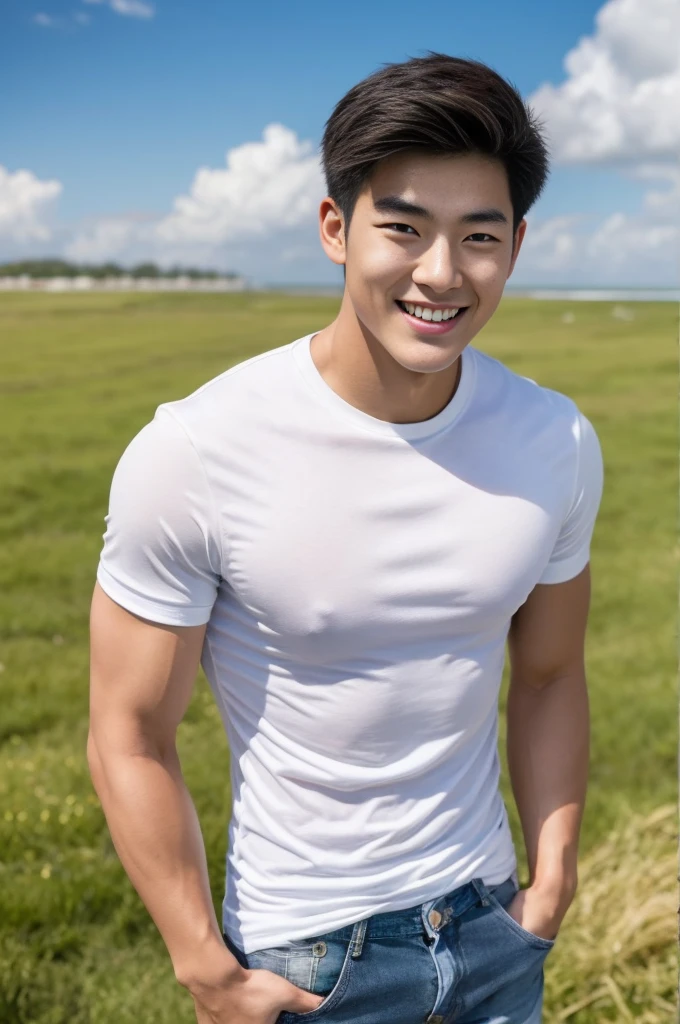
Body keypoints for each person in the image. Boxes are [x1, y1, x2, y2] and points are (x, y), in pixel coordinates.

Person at [88, 51, 604, 1024]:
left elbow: (547, 674)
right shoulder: (196, 450)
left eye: (477, 236)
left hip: (494, 925)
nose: (441, 273)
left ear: (516, 244)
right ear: (335, 227)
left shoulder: (554, 439)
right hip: (308, 957)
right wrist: (206, 968)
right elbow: (129, 730)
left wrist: (552, 878)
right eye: (402, 229)